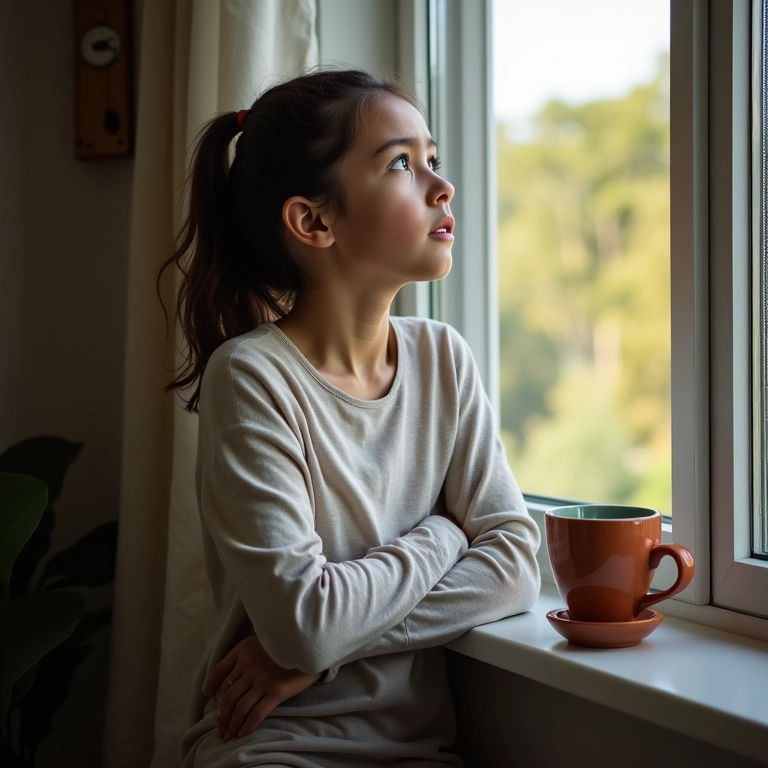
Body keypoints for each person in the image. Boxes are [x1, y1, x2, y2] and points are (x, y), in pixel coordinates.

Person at [157, 68, 541, 768]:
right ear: (314, 221)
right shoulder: (251, 376)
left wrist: (324, 654)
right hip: (273, 750)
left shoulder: (444, 359)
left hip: (418, 754)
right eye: (401, 164)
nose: (442, 186)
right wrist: (443, 534)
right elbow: (305, 623)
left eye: (432, 159)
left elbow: (514, 564)